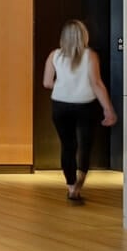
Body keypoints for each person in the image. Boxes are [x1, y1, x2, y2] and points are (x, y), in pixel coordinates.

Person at [42, 19, 117, 203]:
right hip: (85, 106)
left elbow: (47, 83)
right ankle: (79, 184)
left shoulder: (54, 55)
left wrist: (64, 84)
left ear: (63, 37)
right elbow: (97, 84)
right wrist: (108, 109)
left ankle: (70, 187)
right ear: (83, 35)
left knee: (68, 146)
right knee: (85, 145)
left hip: (60, 106)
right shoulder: (90, 55)